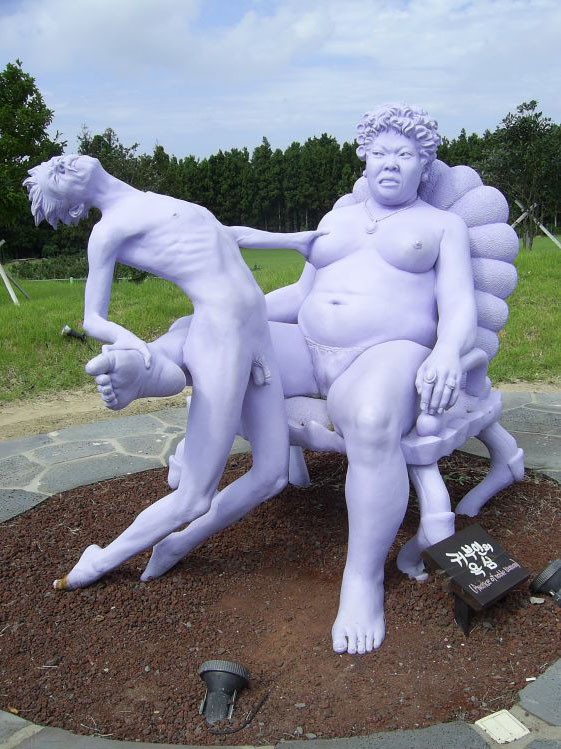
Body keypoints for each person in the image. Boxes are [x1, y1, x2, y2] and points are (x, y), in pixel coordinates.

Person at [82, 104, 478, 655]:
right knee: (210, 332)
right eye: (380, 152)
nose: (391, 163)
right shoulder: (338, 218)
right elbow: (300, 294)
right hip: (307, 347)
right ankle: (148, 369)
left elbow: (459, 306)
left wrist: (448, 352)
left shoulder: (442, 226)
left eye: (405, 155)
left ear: (424, 166)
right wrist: (239, 316)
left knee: (370, 419)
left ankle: (361, 579)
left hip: (386, 354)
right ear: (364, 159)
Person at [24, 154, 321, 591]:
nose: (63, 164)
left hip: (256, 332)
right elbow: (92, 318)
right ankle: (99, 561)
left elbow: (228, 235)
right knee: (194, 496)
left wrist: (297, 240)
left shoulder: (154, 199)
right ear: (72, 206)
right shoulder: (108, 231)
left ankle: (175, 545)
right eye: (57, 176)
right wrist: (132, 342)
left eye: (59, 161)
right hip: (220, 336)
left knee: (272, 474)